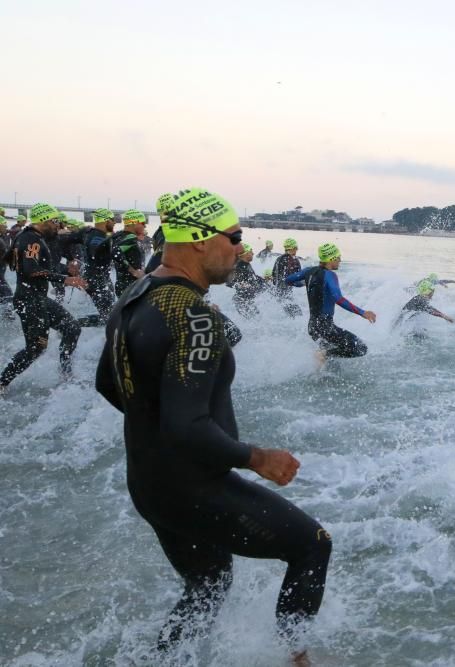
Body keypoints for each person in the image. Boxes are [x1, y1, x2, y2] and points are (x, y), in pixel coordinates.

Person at [94, 188, 331, 660]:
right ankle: (296, 658)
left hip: (148, 482)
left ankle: (161, 660)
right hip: (191, 486)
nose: (241, 249)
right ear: (200, 240)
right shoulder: (194, 316)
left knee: (208, 586)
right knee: (312, 544)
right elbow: (188, 427)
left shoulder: (136, 293)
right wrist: (257, 458)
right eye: (236, 236)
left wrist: (157, 428)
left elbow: (107, 383)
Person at [0, 204, 87, 394]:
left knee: (72, 328)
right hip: (29, 300)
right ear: (44, 220)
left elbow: (36, 266)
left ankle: (66, 374)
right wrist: (65, 279)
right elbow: (31, 270)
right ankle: (2, 382)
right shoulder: (31, 240)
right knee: (36, 347)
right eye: (55, 222)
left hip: (37, 298)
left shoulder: (32, 237)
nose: (58, 226)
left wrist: (66, 270)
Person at [285, 242, 376, 358]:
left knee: (329, 361)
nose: (340, 260)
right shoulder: (330, 275)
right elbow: (339, 299)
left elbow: (288, 280)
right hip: (325, 327)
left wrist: (305, 282)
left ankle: (321, 364)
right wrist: (363, 312)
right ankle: (324, 355)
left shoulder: (309, 271)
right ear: (331, 258)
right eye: (338, 257)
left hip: (313, 327)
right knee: (361, 348)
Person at [77, 207, 118, 327]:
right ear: (106, 220)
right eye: (112, 220)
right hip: (96, 280)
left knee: (110, 312)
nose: (114, 222)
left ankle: (76, 324)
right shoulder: (98, 236)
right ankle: (75, 324)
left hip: (98, 278)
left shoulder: (93, 233)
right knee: (109, 316)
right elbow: (95, 252)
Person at [226, 242, 270, 318]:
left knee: (257, 319)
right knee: (254, 320)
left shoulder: (246, 265)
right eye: (250, 251)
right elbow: (229, 282)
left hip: (248, 301)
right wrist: (240, 284)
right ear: (245, 254)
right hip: (242, 301)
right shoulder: (239, 266)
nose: (253, 253)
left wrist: (264, 281)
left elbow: (253, 277)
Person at [112, 209, 147, 297]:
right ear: (134, 223)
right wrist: (133, 271)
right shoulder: (130, 237)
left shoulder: (119, 236)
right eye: (143, 223)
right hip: (130, 286)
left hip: (123, 285)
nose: (145, 226)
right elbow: (115, 251)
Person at [272, 238, 303, 317]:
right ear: (293, 248)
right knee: (297, 312)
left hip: (279, 291)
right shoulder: (294, 260)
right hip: (285, 291)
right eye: (296, 248)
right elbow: (299, 276)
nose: (297, 250)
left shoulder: (279, 259)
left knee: (288, 311)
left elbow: (274, 276)